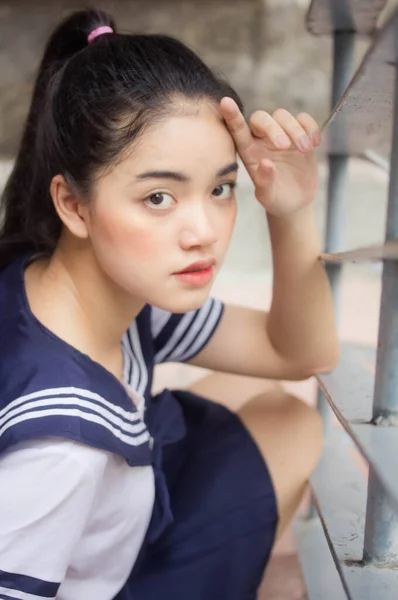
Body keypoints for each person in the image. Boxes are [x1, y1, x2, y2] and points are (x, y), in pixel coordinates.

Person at [0, 7, 338, 600]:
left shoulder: (83, 284)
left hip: (118, 516)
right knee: (289, 427)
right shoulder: (60, 450)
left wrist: (290, 211)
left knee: (279, 405)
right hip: (112, 577)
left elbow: (297, 352)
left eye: (221, 188)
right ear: (73, 205)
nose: (203, 230)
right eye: (159, 197)